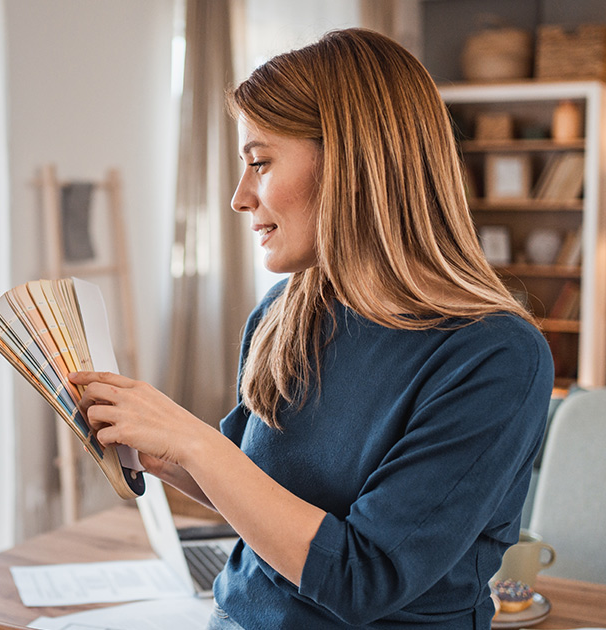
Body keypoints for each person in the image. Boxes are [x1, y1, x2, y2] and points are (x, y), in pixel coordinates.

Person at [69, 28, 553, 630]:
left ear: (352, 162)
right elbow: (251, 488)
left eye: (259, 162)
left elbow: (364, 577)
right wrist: (150, 446)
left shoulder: (495, 357)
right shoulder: (284, 313)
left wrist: (195, 442)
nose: (240, 198)